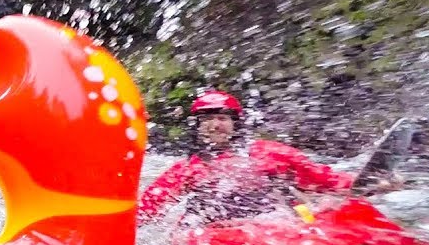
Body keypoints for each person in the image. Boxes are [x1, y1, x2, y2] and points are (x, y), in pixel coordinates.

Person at [137, 90, 356, 225]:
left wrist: (367, 184)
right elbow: (146, 211)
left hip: (274, 225)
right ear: (197, 128)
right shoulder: (186, 169)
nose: (215, 126)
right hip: (214, 233)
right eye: (207, 120)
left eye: (222, 118)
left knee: (307, 208)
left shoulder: (270, 152)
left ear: (235, 124)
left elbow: (322, 180)